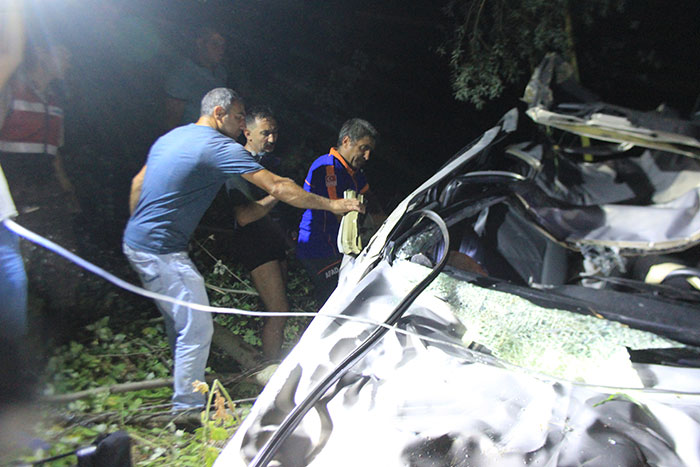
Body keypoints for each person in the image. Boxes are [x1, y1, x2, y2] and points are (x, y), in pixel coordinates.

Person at [124, 88, 364, 410]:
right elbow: (278, 186)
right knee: (197, 326)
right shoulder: (219, 146)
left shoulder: (172, 137)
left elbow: (138, 183)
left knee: (178, 322)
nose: (241, 126)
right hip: (162, 250)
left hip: (137, 241)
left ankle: (184, 386)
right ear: (219, 114)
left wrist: (138, 229)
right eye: (239, 118)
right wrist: (333, 204)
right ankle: (187, 408)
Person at [0, 9, 78, 333]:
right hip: (14, 186)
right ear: (44, 55)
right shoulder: (11, 90)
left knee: (62, 255)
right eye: (63, 55)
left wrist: (67, 190)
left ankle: (61, 330)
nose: (69, 62)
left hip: (47, 188)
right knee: (21, 260)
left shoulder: (55, 100)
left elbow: (54, 153)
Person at [296, 118, 384, 305]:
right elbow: (340, 212)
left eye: (370, 151)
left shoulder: (355, 172)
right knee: (336, 304)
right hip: (319, 248)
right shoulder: (328, 166)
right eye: (363, 148)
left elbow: (372, 201)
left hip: (340, 247)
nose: (367, 156)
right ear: (346, 141)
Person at [226, 106, 290, 360]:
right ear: (247, 133)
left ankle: (274, 363)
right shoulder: (237, 163)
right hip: (254, 242)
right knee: (279, 311)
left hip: (274, 241)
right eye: (265, 133)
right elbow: (244, 216)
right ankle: (270, 373)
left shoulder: (269, 163)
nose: (272, 139)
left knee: (282, 310)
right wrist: (279, 192)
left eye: (274, 132)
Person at [164, 27, 227, 130]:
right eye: (215, 44)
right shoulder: (183, 72)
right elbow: (172, 119)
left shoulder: (221, 72)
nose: (220, 50)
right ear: (200, 43)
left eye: (223, 46)